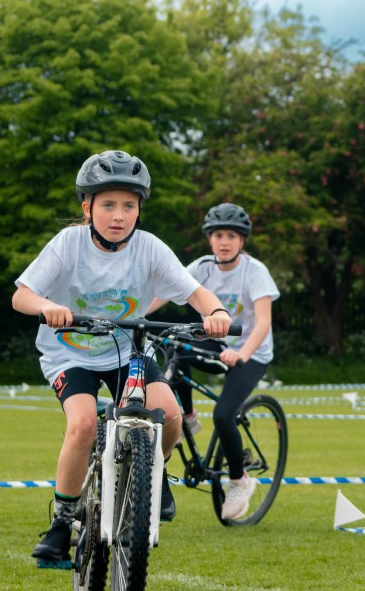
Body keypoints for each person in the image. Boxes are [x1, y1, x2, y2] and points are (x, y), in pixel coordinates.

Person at [13, 150, 233, 562]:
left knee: (169, 414)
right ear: (87, 207)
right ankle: (62, 524)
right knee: (81, 424)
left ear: (139, 209)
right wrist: (46, 307)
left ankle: (154, 473)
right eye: (108, 204)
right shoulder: (69, 244)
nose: (119, 215)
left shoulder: (149, 248)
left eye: (129, 205)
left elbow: (195, 292)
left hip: (124, 350)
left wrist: (216, 311)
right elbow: (21, 295)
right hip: (70, 353)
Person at [147, 202, 279, 520]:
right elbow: (161, 294)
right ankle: (188, 417)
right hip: (215, 346)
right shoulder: (201, 267)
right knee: (176, 347)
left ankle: (239, 480)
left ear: (242, 241)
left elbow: (262, 322)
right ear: (209, 239)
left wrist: (242, 354)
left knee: (223, 415)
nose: (224, 241)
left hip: (250, 353)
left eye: (231, 235)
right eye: (218, 234)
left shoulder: (255, 271)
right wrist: (132, 316)